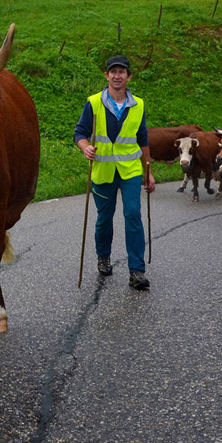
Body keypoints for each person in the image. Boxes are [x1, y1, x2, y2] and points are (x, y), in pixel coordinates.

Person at [74, 55, 156, 290]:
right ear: (107, 76)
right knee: (104, 219)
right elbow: (79, 133)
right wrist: (85, 147)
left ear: (129, 76)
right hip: (103, 170)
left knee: (133, 215)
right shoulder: (93, 103)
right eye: (113, 72)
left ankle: (137, 271)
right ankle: (103, 257)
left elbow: (143, 140)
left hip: (130, 170)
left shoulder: (138, 104)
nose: (117, 76)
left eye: (122, 72)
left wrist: (148, 172)